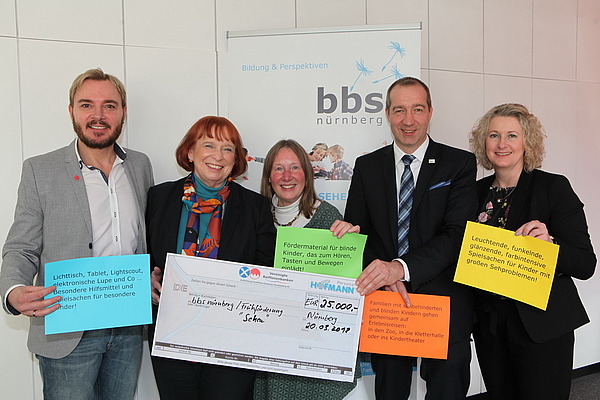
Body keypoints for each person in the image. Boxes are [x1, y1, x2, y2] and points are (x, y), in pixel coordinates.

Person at [0, 68, 154, 399]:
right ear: (71, 111)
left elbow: (145, 237)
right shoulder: (40, 170)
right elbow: (21, 247)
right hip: (67, 329)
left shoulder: (140, 165)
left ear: (123, 112)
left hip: (128, 327)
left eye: (109, 105)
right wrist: (13, 290)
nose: (98, 115)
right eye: (87, 105)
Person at [344, 77, 478, 400]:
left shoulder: (459, 164)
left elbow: (456, 236)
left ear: (430, 111)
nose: (408, 120)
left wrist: (399, 268)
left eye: (417, 109)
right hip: (388, 302)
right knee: (390, 392)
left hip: (443, 302)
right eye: (399, 110)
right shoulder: (367, 166)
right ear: (387, 113)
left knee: (447, 392)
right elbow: (359, 234)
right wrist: (384, 274)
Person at [468, 103, 596, 400]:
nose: (502, 144)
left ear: (527, 142)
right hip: (490, 326)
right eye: (494, 135)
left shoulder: (553, 187)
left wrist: (551, 246)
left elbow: (585, 264)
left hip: (542, 326)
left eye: (512, 135)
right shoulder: (474, 193)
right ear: (483, 142)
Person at [147, 116, 276, 400]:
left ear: (236, 159)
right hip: (171, 336)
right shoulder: (159, 198)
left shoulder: (255, 207)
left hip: (233, 341)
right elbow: (142, 253)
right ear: (190, 152)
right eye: (209, 145)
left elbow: (267, 270)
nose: (218, 156)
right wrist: (147, 280)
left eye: (228, 149)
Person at [253, 139, 360, 400]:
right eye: (279, 169)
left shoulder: (329, 219)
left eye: (295, 167)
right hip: (266, 346)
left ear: (307, 174)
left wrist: (350, 247)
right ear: (268, 176)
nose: (287, 176)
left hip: (314, 352)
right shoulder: (253, 215)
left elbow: (347, 289)